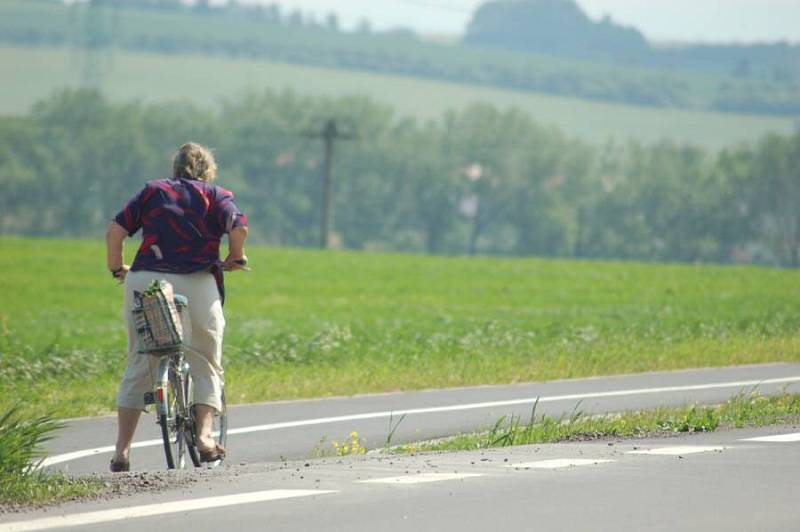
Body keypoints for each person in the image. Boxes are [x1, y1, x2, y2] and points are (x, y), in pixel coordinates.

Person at [105, 142, 248, 472]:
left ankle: (121, 452)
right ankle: (205, 437)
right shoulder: (216, 195)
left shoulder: (153, 191)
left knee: (141, 359)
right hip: (196, 280)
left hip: (146, 279)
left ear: (175, 168)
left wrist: (118, 268)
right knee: (204, 356)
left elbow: (115, 232)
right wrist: (235, 257)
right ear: (208, 171)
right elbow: (238, 226)